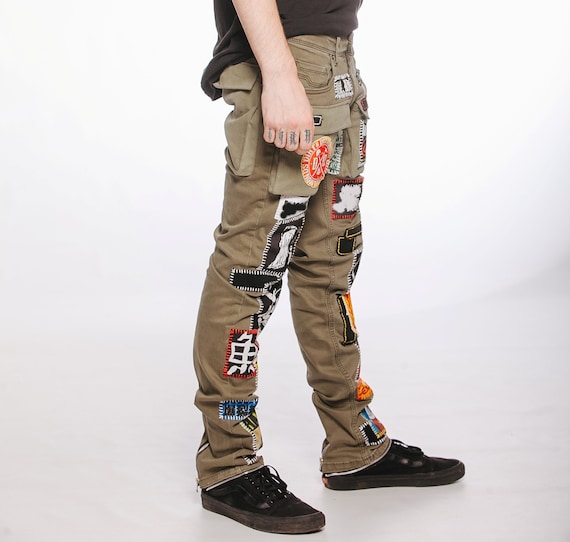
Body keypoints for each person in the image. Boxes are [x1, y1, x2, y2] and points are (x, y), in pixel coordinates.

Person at [194, 0, 465, 534]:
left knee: (329, 264)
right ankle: (228, 462)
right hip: (282, 59)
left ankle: (352, 444)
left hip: (334, 60)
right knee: (249, 269)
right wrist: (279, 75)